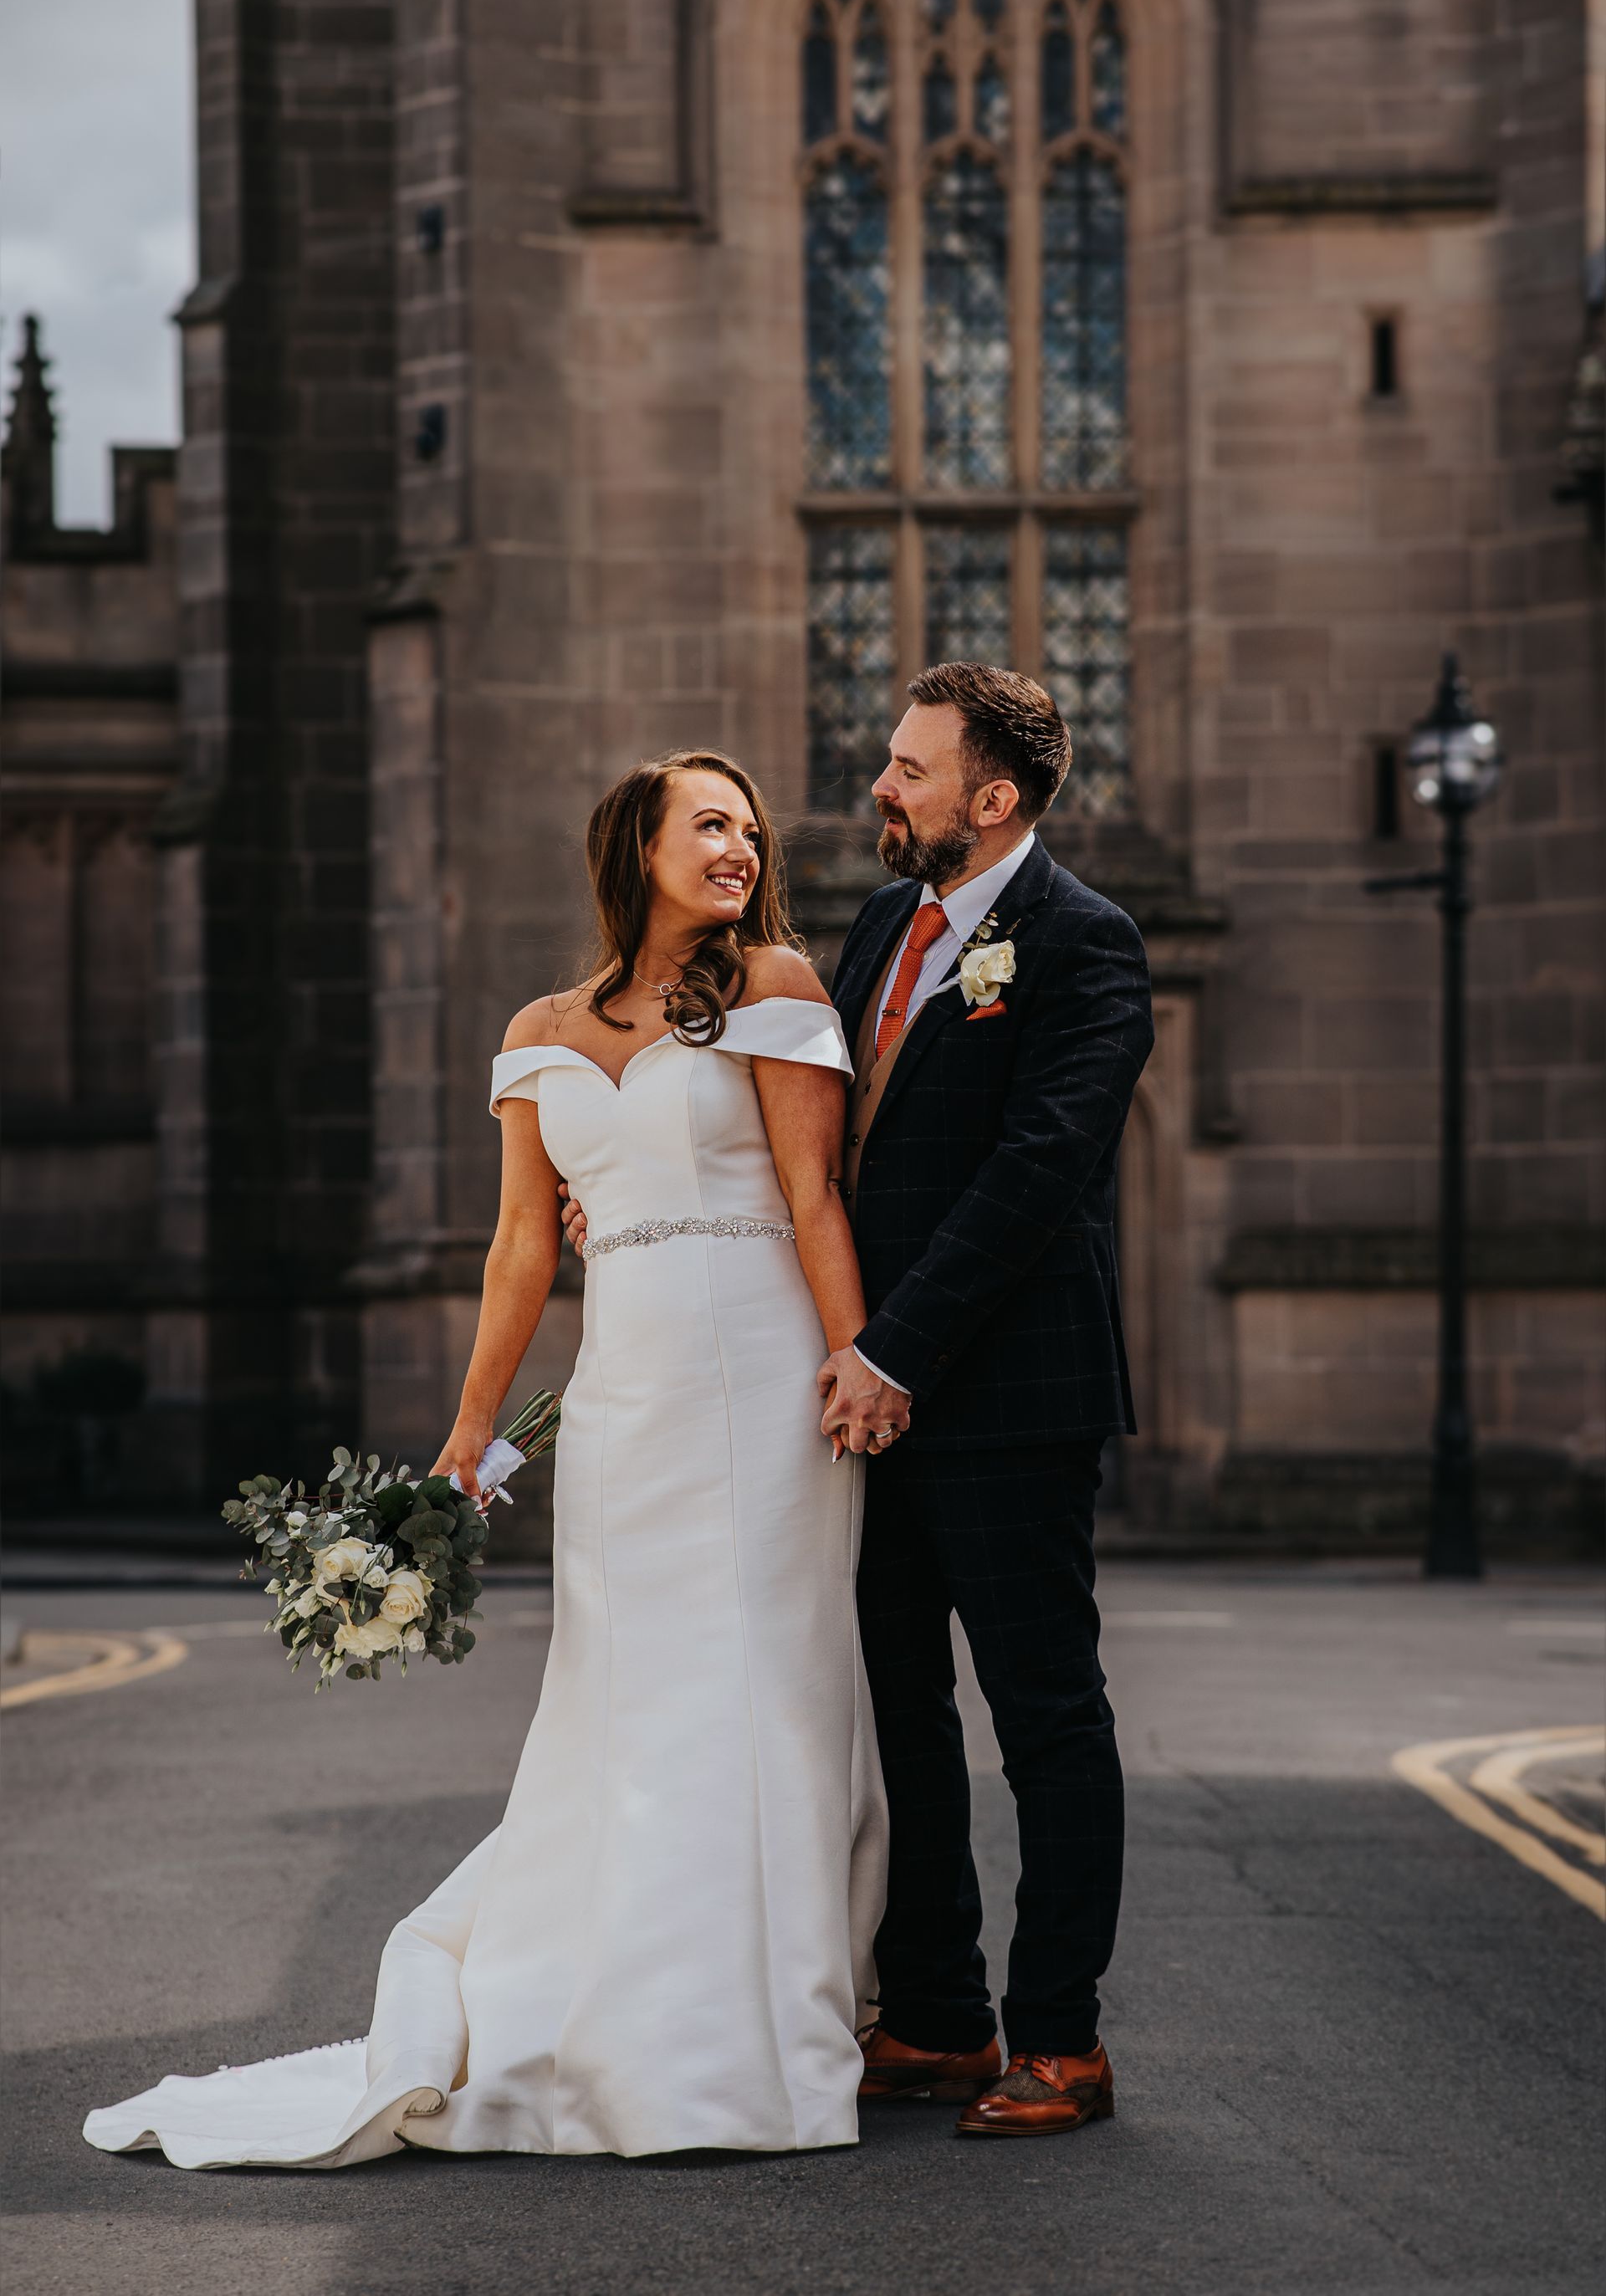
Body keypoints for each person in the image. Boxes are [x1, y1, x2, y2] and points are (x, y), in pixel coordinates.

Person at [84, 751, 887, 2168]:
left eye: (751, 830)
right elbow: (525, 1244)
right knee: (625, 1688)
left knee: (772, 1675)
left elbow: (814, 1189)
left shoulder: (776, 990)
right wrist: (465, 1437)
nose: (740, 847)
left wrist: (854, 1356)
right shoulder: (538, 1030)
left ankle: (758, 2016)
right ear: (635, 844)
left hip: (765, 1377)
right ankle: (607, 1996)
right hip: (627, 1393)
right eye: (710, 824)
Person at [564, 666, 1156, 2140]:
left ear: (991, 800)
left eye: (907, 770)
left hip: (1003, 1395)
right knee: (896, 1713)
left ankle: (1061, 2042)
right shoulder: (886, 925)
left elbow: (1037, 1176)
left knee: (1044, 1717)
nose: (880, 789)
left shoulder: (1088, 946)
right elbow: (806, 1148)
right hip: (855, 1398)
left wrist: (893, 1352)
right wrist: (631, 1187)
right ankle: (942, 2016)